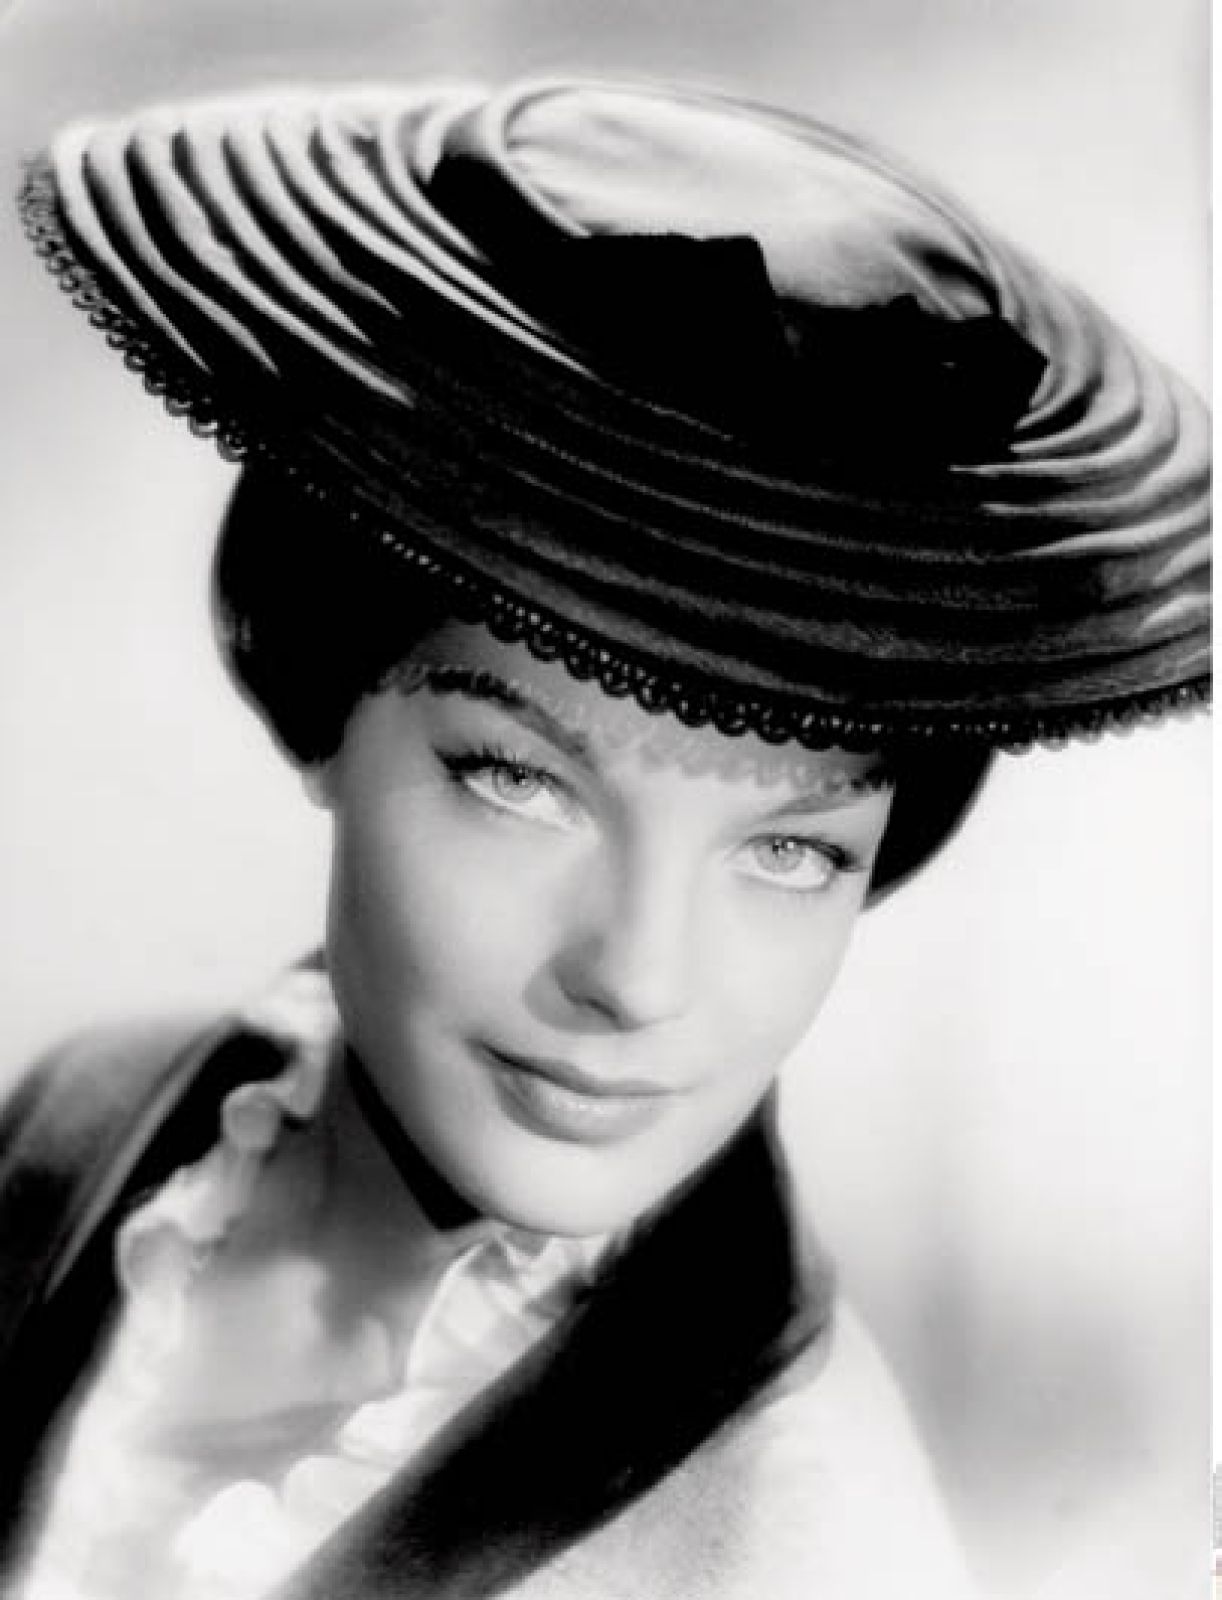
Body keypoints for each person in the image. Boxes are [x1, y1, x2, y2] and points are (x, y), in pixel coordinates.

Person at [1, 77, 1208, 1600]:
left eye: (790, 852)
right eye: (520, 781)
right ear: (318, 695)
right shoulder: (85, 1123)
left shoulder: (803, 1558)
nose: (636, 977)